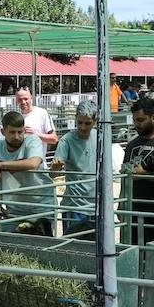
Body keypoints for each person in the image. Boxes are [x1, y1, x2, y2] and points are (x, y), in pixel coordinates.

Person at [0, 111, 56, 235]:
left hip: (41, 205)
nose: (17, 136)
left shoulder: (32, 141)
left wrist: (0, 165)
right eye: (12, 132)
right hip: (14, 206)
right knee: (8, 244)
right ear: (3, 132)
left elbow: (33, 163)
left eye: (20, 132)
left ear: (24, 130)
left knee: (42, 244)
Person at [123, 96, 154, 246]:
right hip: (133, 211)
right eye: (135, 120)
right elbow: (125, 174)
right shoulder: (132, 144)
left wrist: (143, 175)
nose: (137, 124)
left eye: (141, 120)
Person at [51, 101, 97, 237]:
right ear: (75, 118)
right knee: (74, 246)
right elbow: (53, 174)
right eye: (80, 122)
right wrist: (55, 168)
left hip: (96, 204)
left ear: (95, 121)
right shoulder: (66, 140)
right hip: (75, 204)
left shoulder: (99, 136)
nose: (82, 127)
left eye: (87, 123)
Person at [14, 86, 56, 151]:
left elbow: (54, 139)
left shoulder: (42, 113)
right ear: (16, 101)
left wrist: (36, 135)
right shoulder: (14, 116)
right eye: (20, 99)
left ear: (31, 98)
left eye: (26, 99)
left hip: (38, 160)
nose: (23, 102)